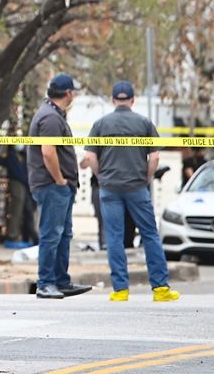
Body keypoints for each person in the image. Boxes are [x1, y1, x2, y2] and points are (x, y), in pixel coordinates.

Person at [81, 81, 179, 302]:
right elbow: (154, 157)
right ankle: (161, 289)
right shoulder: (144, 123)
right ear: (133, 100)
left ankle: (120, 290)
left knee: (114, 237)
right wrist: (146, 177)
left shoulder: (100, 124)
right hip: (137, 187)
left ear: (113, 100)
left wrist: (101, 177)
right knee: (150, 234)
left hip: (109, 188)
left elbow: (89, 157)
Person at [26, 73, 92, 300]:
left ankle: (61, 281)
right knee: (52, 234)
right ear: (68, 93)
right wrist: (60, 179)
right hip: (52, 186)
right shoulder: (51, 118)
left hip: (57, 187)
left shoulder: (52, 114)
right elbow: (48, 151)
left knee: (62, 235)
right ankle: (46, 283)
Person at [0, 144, 33, 248]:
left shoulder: (24, 155)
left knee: (26, 211)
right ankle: (13, 236)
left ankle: (26, 236)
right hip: (18, 183)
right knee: (16, 210)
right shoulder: (11, 155)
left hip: (25, 184)